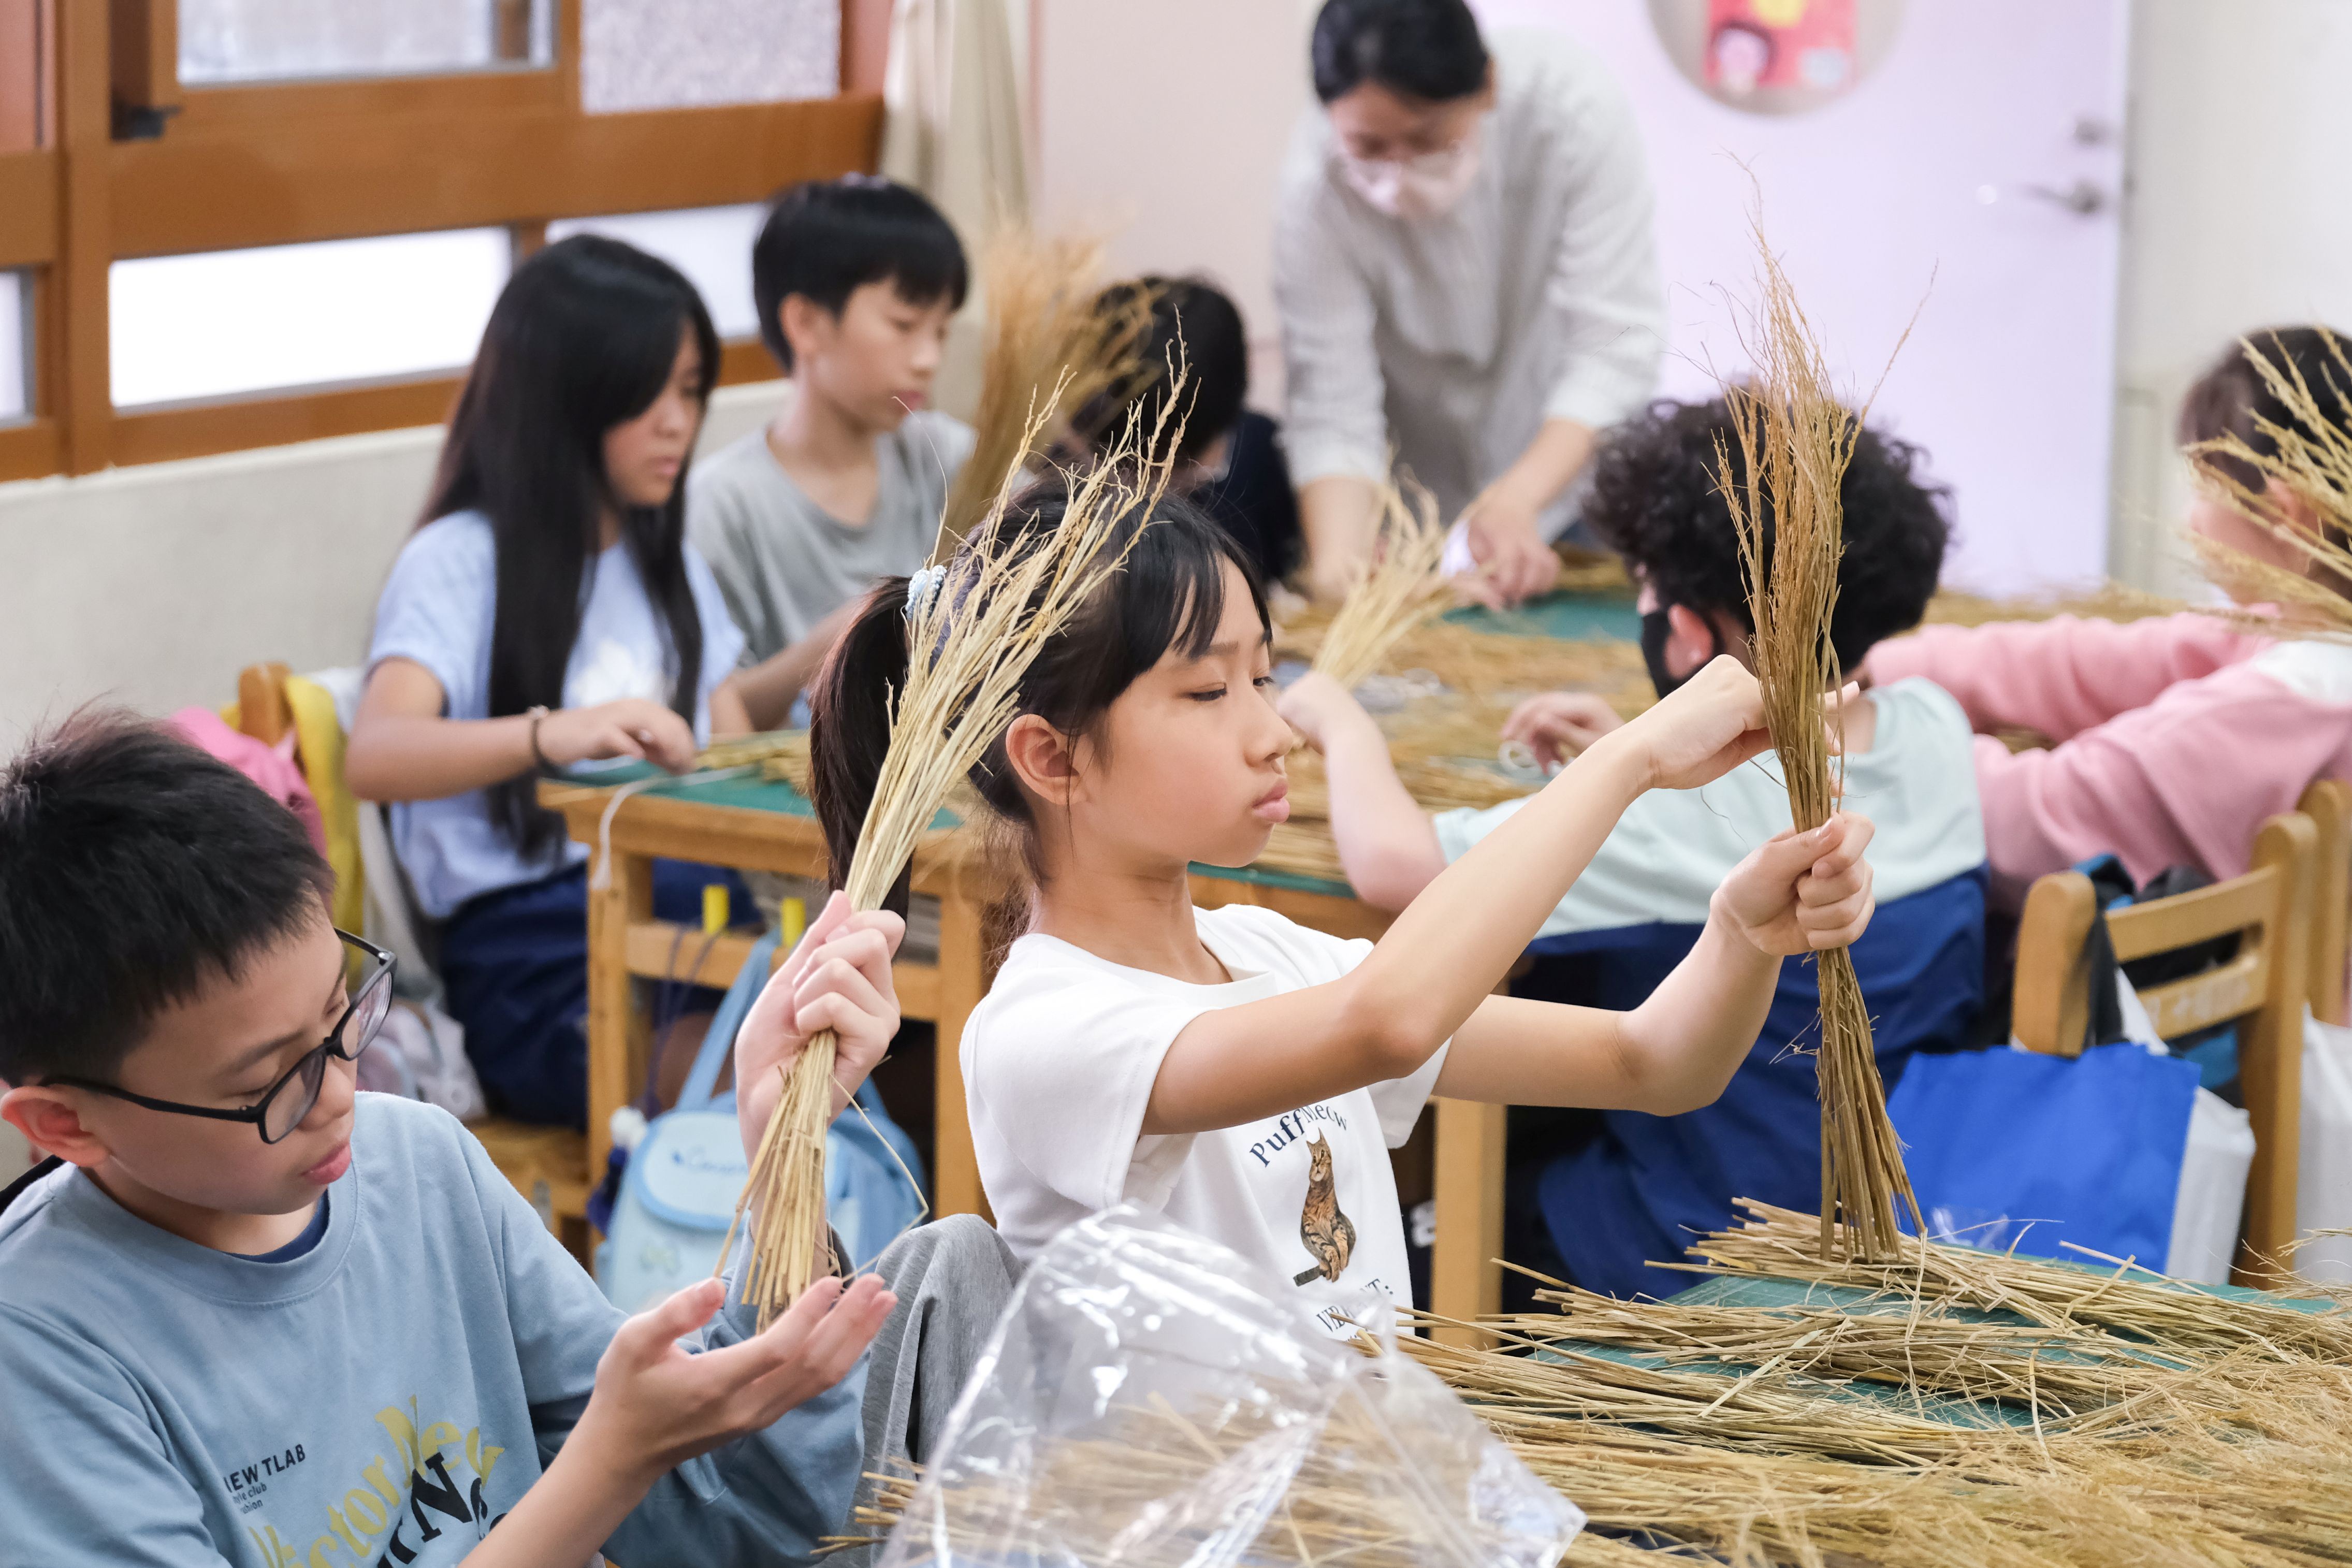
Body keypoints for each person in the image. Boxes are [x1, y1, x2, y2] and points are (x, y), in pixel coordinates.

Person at [806, 477, 1877, 1335]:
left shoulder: (1263, 951)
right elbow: (1389, 1019)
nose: (1273, 731)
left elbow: (1657, 1062)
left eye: (1267, 680)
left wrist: (1741, 932)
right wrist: (1628, 759)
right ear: (1051, 755)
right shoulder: (1045, 1030)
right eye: (1209, 691)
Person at [0, 709, 1017, 1568]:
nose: (340, 1089)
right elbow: (627, 1460)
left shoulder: (418, 1164)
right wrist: (610, 1458)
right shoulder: (43, 1350)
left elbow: (723, 1516)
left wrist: (780, 1139)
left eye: (342, 1012)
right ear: (63, 1124)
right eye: (271, 1080)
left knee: (954, 1272)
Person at [1299, 397, 1987, 1298]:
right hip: (1894, 1213)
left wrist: (1337, 720)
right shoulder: (1934, 724)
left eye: (1646, 581)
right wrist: (1632, 758)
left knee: (1397, 1239)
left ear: (1696, 628)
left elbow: (1394, 864)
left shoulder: (1697, 817)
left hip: (1689, 1248)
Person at [347, 236, 753, 1129]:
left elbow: (734, 752)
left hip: (701, 919)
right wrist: (551, 733)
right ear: (566, 398)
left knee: (901, 1032)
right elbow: (375, 753)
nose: (678, 421)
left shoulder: (668, 559)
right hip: (540, 961)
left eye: (690, 390)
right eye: (648, 391)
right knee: (786, 1067)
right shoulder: (459, 560)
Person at [1864, 326, 2352, 912]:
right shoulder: (2302, 637)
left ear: (2287, 513)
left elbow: (2036, 819)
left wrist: (1870, 732)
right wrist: (1868, 664)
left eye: (2205, 486)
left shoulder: (2284, 706)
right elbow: (2086, 662)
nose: (2191, 520)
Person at [1276, 0, 1664, 607]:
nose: (1398, 174)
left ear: (1487, 85)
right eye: (1370, 148)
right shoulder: (1314, 190)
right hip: (1415, 502)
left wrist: (1517, 500)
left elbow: (1613, 346)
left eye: (1427, 139)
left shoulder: (1570, 112)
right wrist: (1339, 569)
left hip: (1562, 478)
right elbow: (1330, 406)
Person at [690, 177, 974, 730]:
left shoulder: (948, 456)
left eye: (941, 331)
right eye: (904, 325)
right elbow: (712, 720)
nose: (928, 358)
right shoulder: (724, 505)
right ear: (806, 324)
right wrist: (837, 644)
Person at [1066, 275, 1304, 592]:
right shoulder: (1061, 488)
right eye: (1133, 468)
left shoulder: (1261, 456)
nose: (1150, 484)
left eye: (1173, 466)